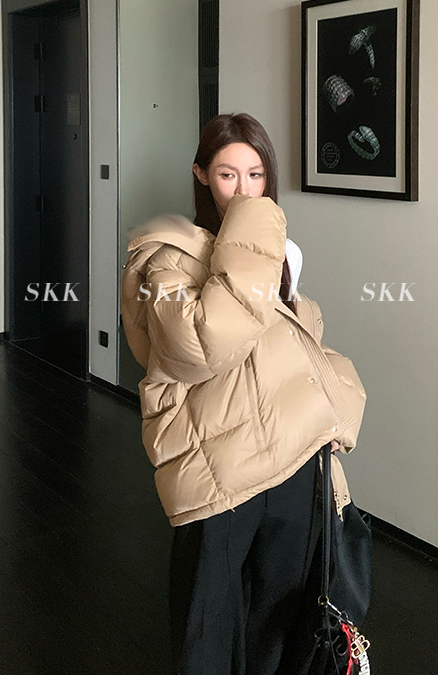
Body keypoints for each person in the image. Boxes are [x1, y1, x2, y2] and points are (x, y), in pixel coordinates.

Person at [120, 112, 367, 674]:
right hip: (220, 463)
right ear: (201, 174)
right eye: (228, 174)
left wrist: (336, 415)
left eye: (256, 176)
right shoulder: (167, 255)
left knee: (281, 616)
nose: (243, 190)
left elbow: (293, 341)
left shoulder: (282, 252)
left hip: (294, 457)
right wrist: (254, 230)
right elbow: (198, 346)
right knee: (208, 623)